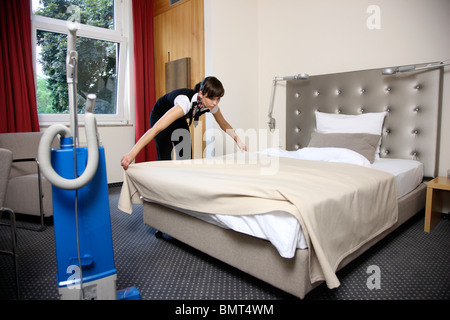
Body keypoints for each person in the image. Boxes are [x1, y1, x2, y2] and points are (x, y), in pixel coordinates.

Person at [121, 76, 247, 170]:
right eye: (211, 98)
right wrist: (131, 154)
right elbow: (156, 129)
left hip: (179, 119)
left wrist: (239, 141)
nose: (215, 103)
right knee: (165, 158)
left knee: (186, 157)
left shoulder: (211, 104)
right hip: (160, 114)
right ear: (201, 94)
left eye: (218, 99)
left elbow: (223, 124)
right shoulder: (185, 103)